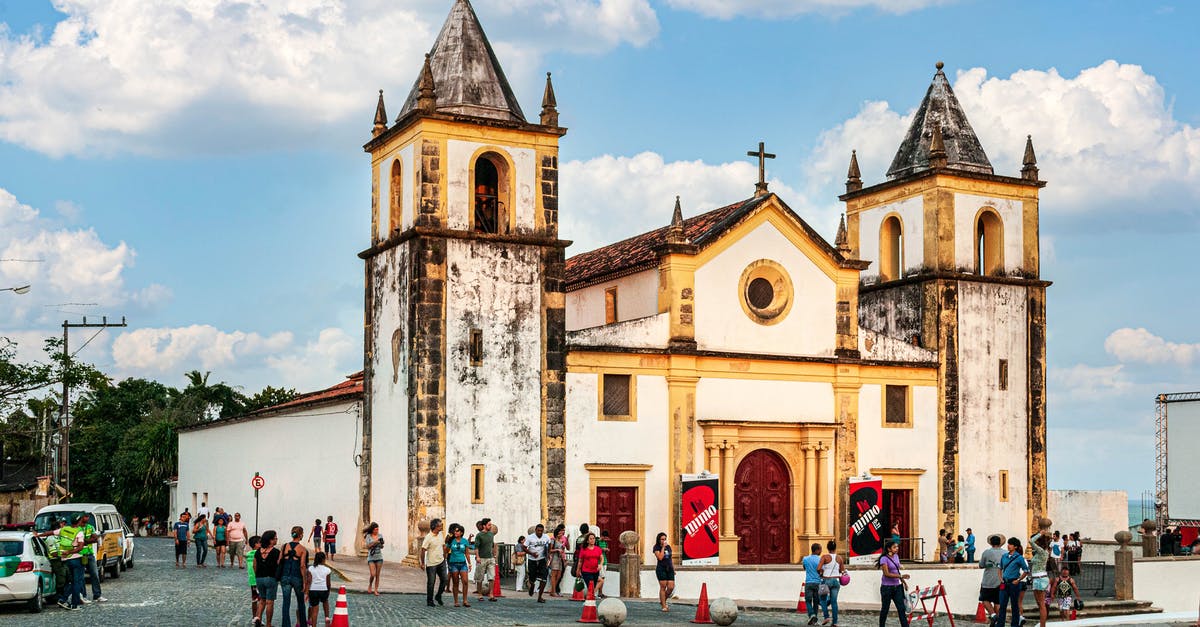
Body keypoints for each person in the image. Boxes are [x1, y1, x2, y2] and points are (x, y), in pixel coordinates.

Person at [278, 526, 310, 627]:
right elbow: (302, 566)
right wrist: (305, 582)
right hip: (297, 577)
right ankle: (302, 624)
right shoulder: (303, 549)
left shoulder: (284, 546)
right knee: (300, 602)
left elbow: (279, 561)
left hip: (285, 576)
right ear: (300, 535)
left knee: (286, 602)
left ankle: (285, 625)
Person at [996, 537, 1030, 627]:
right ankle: (1000, 624)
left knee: (1014, 606)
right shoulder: (1004, 556)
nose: (1008, 546)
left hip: (1014, 584)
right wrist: (1000, 579)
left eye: (1010, 544)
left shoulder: (1019, 558)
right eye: (1008, 544)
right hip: (1004, 583)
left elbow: (1026, 570)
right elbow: (999, 568)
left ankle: (1014, 625)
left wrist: (1018, 580)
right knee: (1002, 605)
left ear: (1015, 546)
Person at [58, 514, 87, 611]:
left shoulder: (64, 529)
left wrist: (38, 534)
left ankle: (63, 599)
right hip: (76, 559)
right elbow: (80, 547)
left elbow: (51, 532)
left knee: (73, 582)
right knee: (77, 582)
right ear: (79, 521)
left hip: (66, 560)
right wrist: (70, 551)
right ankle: (74, 604)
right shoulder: (79, 531)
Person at [878, 539, 910, 627]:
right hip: (887, 588)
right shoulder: (884, 559)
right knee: (885, 609)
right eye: (894, 547)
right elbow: (886, 573)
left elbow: (897, 571)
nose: (897, 548)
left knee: (901, 609)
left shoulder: (896, 557)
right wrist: (900, 577)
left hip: (897, 587)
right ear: (889, 549)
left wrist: (903, 582)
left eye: (897, 547)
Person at [255, 530, 281, 627]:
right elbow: (279, 564)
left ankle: (258, 618)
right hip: (271, 578)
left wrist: (257, 575)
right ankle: (268, 624)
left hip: (259, 578)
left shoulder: (258, 552)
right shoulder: (276, 552)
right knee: (270, 602)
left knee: (262, 600)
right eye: (275, 538)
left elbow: (255, 566)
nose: (276, 540)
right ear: (270, 540)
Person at [79, 513, 107, 603]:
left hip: (90, 554)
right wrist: (88, 540)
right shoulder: (77, 528)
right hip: (79, 554)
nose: (87, 518)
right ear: (81, 518)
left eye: (88, 517)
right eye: (85, 517)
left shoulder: (90, 527)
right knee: (81, 576)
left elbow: (95, 539)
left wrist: (84, 541)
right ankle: (83, 596)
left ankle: (97, 595)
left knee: (95, 574)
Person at [819, 539, 846, 627]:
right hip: (836, 581)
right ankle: (835, 622)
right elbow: (842, 571)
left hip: (826, 580)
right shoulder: (839, 558)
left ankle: (826, 617)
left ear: (827, 548)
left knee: (822, 599)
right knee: (834, 602)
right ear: (835, 548)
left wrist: (821, 573)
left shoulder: (825, 557)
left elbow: (818, 568)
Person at [978, 534, 1005, 622]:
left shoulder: (986, 552)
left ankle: (993, 615)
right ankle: (997, 619)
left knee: (985, 599)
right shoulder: (1005, 553)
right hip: (1001, 580)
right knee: (998, 602)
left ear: (991, 543)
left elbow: (981, 565)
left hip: (988, 580)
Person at [419, 519, 446, 606]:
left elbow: (443, 546)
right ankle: (429, 600)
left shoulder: (441, 534)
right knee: (431, 582)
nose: (442, 527)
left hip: (441, 561)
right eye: (440, 525)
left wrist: (445, 557)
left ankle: (438, 595)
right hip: (431, 564)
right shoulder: (428, 537)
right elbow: (423, 550)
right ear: (435, 527)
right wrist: (422, 563)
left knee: (445, 580)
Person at [446, 523, 473, 607]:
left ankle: (465, 600)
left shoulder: (464, 541)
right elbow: (446, 550)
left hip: (463, 563)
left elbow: (467, 553)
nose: (455, 532)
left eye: (457, 531)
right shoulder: (451, 540)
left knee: (465, 581)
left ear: (461, 532)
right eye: (455, 531)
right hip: (453, 563)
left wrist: (469, 563)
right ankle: (456, 601)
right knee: (455, 582)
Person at [1028, 532, 1052, 627]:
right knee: (1040, 604)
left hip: (1040, 578)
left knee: (1041, 604)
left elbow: (1031, 541)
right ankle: (1043, 623)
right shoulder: (1041, 552)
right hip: (1037, 578)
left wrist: (1039, 534)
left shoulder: (1042, 551)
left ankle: (1043, 625)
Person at [525, 523, 551, 602]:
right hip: (532, 560)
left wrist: (548, 553)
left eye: (541, 531)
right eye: (538, 531)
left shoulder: (546, 537)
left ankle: (540, 596)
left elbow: (549, 544)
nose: (540, 532)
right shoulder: (530, 538)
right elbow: (524, 547)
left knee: (544, 579)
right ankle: (532, 585)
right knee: (532, 578)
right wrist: (531, 553)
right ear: (535, 530)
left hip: (542, 560)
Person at [473, 519, 497, 601]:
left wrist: (494, 555)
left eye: (491, 524)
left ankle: (491, 594)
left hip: (490, 558)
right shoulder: (479, 535)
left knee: (492, 577)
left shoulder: (491, 534)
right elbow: (476, 547)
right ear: (484, 526)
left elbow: (492, 545)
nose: (490, 526)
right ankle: (480, 594)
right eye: (489, 525)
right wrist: (478, 557)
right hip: (482, 558)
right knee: (480, 578)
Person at [306, 551, 332, 627]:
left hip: (313, 590)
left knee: (314, 610)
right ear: (324, 559)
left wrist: (307, 593)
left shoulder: (311, 568)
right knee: (325, 602)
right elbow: (328, 584)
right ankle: (327, 617)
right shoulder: (327, 570)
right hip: (323, 589)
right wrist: (328, 592)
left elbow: (309, 581)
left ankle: (313, 625)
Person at [800, 542, 823, 625]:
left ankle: (812, 615)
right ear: (817, 550)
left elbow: (804, 568)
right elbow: (822, 571)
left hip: (809, 582)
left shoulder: (805, 559)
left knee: (808, 600)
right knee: (816, 602)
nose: (821, 551)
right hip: (817, 583)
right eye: (820, 549)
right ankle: (814, 617)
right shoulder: (821, 559)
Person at [652, 532, 675, 612]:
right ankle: (664, 606)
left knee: (671, 587)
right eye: (662, 539)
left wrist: (673, 569)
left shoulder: (668, 547)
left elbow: (670, 559)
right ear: (659, 539)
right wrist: (663, 548)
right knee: (663, 587)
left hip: (669, 568)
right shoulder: (656, 547)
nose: (664, 541)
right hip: (661, 569)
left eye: (665, 539)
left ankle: (663, 600)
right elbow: (660, 557)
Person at [577, 532, 603, 596]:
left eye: (593, 538)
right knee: (590, 585)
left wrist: (601, 564)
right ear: (587, 541)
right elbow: (580, 561)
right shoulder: (584, 549)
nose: (592, 540)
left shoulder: (598, 549)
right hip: (586, 571)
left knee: (598, 583)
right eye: (590, 539)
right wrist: (578, 570)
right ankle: (591, 595)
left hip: (595, 571)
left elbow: (602, 558)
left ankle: (591, 594)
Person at [365, 522, 385, 596]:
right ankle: (370, 584)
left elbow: (382, 547)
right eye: (376, 529)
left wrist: (381, 544)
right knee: (372, 574)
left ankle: (376, 590)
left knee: (377, 575)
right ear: (372, 530)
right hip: (371, 557)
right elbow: (368, 546)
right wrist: (375, 542)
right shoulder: (368, 536)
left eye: (378, 529)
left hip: (379, 557)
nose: (377, 531)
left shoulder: (380, 535)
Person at [548, 524, 567, 597]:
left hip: (560, 559)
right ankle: (553, 591)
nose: (560, 535)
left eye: (561, 533)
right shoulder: (553, 540)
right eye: (559, 533)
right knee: (554, 575)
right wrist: (557, 550)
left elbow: (562, 549)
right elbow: (550, 550)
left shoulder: (561, 541)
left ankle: (553, 590)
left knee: (559, 575)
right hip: (554, 559)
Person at [247, 535, 261, 624]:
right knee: (261, 600)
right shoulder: (259, 554)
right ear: (256, 544)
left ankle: (254, 617)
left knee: (254, 600)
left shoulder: (249, 554)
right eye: (260, 542)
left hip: (252, 580)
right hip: (258, 579)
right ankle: (258, 618)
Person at [596, 529, 611, 598]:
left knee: (603, 577)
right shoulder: (597, 542)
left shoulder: (605, 543)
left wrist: (607, 550)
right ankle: (599, 592)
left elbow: (605, 552)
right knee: (601, 577)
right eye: (605, 538)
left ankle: (600, 592)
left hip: (604, 561)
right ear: (602, 536)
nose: (605, 539)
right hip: (599, 562)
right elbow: (596, 549)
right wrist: (603, 549)